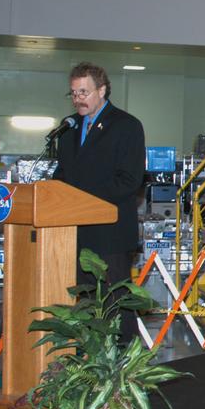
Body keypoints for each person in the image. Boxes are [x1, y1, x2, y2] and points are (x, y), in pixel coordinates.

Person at [52, 62, 145, 293]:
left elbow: (129, 180)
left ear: (102, 90)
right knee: (81, 302)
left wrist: (82, 199)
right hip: (74, 235)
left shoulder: (126, 126)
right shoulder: (68, 128)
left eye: (84, 92)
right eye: (73, 93)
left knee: (113, 304)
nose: (78, 99)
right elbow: (61, 174)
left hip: (110, 236)